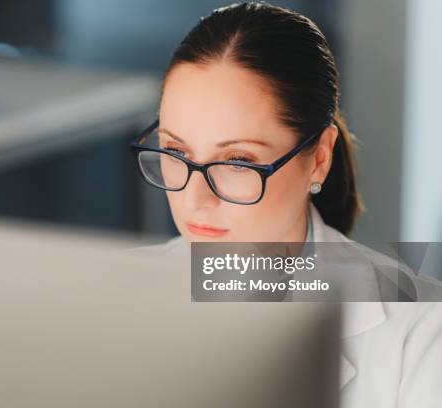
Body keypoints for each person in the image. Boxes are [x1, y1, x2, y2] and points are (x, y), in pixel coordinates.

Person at [129, 3, 442, 407]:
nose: (195, 199)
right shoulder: (113, 295)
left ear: (319, 159)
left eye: (237, 162)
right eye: (176, 151)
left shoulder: (422, 333)